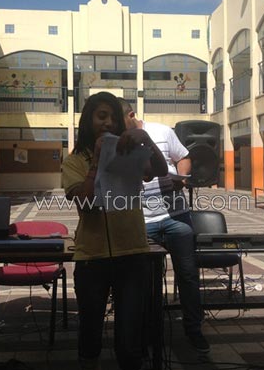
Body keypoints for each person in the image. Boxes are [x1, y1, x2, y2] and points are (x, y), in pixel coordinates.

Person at [62, 92, 167, 370]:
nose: (108, 123)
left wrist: (146, 140)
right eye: (101, 116)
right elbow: (86, 204)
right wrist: (97, 160)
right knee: (90, 334)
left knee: (130, 340)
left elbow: (159, 169)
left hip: (133, 253)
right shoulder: (74, 161)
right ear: (88, 120)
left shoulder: (128, 153)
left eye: (113, 118)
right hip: (92, 256)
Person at [119, 98, 210, 353]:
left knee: (188, 275)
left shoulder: (161, 131)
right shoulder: (120, 141)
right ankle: (150, 331)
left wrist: (182, 181)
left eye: (119, 120)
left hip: (176, 218)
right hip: (143, 222)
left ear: (131, 115)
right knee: (146, 281)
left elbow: (184, 157)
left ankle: (194, 329)